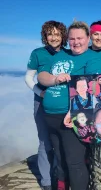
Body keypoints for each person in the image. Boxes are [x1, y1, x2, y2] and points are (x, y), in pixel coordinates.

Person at [37, 21, 101, 190]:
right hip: (50, 117)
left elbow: (93, 90)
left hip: (72, 119)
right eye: (72, 38)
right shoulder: (60, 55)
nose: (76, 42)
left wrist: (74, 112)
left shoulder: (93, 59)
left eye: (80, 38)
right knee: (60, 161)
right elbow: (41, 76)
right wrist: (54, 79)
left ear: (88, 38)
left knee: (74, 162)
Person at [25, 20, 68, 190]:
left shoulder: (68, 53)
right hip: (41, 102)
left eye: (57, 34)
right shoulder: (38, 53)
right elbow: (28, 78)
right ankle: (47, 182)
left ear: (63, 35)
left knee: (62, 141)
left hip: (63, 103)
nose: (54, 37)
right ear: (45, 36)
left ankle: (61, 178)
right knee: (44, 141)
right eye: (50, 34)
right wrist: (40, 93)